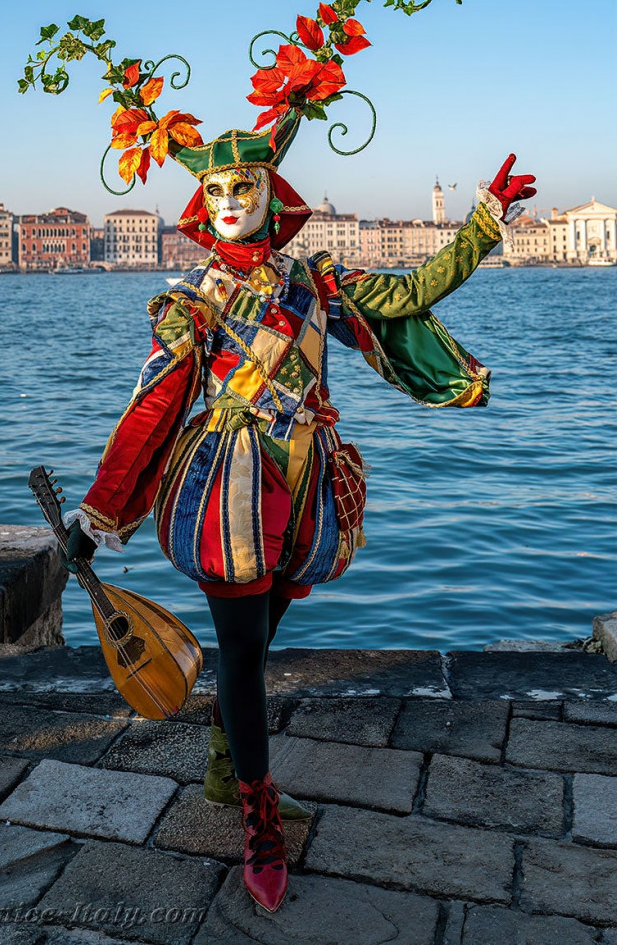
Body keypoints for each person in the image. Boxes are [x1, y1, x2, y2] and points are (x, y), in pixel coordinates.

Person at [62, 111, 536, 912]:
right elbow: (153, 407)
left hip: (306, 488)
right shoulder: (193, 301)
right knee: (244, 655)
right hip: (228, 489)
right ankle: (258, 815)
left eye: (240, 183)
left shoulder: (316, 282)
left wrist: (483, 223)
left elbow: (410, 292)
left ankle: (222, 766)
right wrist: (100, 514)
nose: (226, 198)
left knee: (263, 640)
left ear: (270, 193)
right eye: (212, 187)